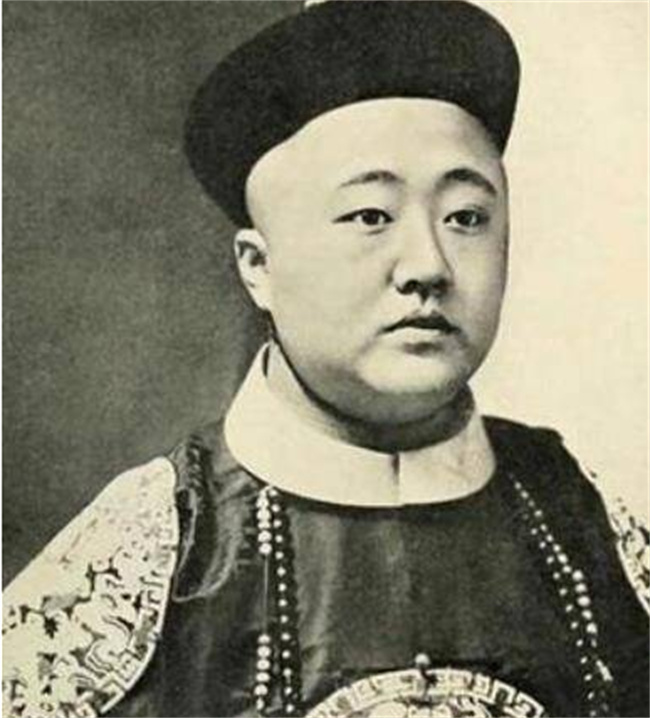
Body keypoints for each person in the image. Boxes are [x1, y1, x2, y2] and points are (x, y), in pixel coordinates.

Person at [2, 2, 648, 717]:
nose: (428, 266)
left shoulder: (577, 516)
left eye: (465, 217)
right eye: (371, 217)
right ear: (259, 267)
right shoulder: (168, 543)